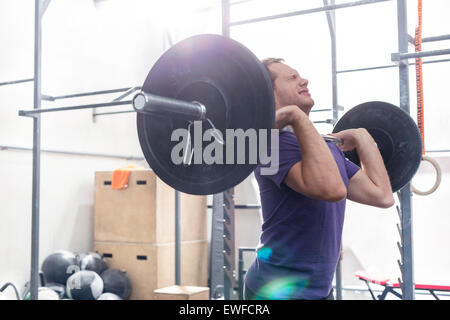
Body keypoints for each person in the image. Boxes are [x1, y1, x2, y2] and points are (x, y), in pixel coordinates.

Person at [244, 58, 395, 300]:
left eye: (300, 76)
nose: (303, 80)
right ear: (269, 94)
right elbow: (333, 190)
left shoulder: (326, 148)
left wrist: (363, 137)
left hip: (321, 290)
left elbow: (382, 195)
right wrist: (296, 116)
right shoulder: (270, 146)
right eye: (292, 78)